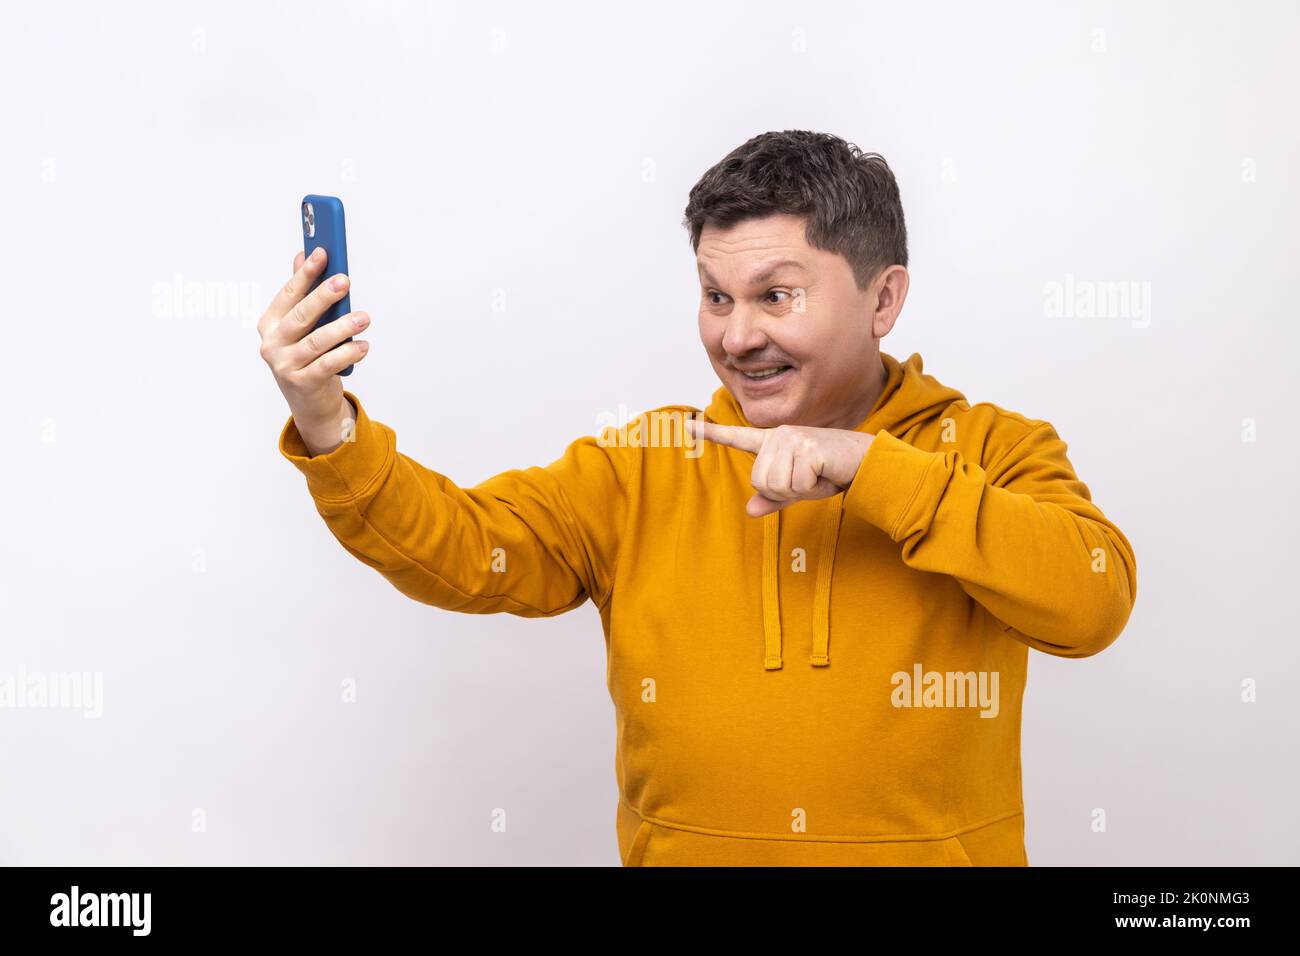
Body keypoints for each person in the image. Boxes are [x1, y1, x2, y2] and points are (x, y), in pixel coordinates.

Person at [259, 130, 1138, 866]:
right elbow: (461, 549)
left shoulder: (989, 449)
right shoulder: (646, 464)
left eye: (776, 295)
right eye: (715, 296)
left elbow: (1092, 602)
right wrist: (329, 422)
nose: (738, 334)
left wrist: (876, 472)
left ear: (884, 298)